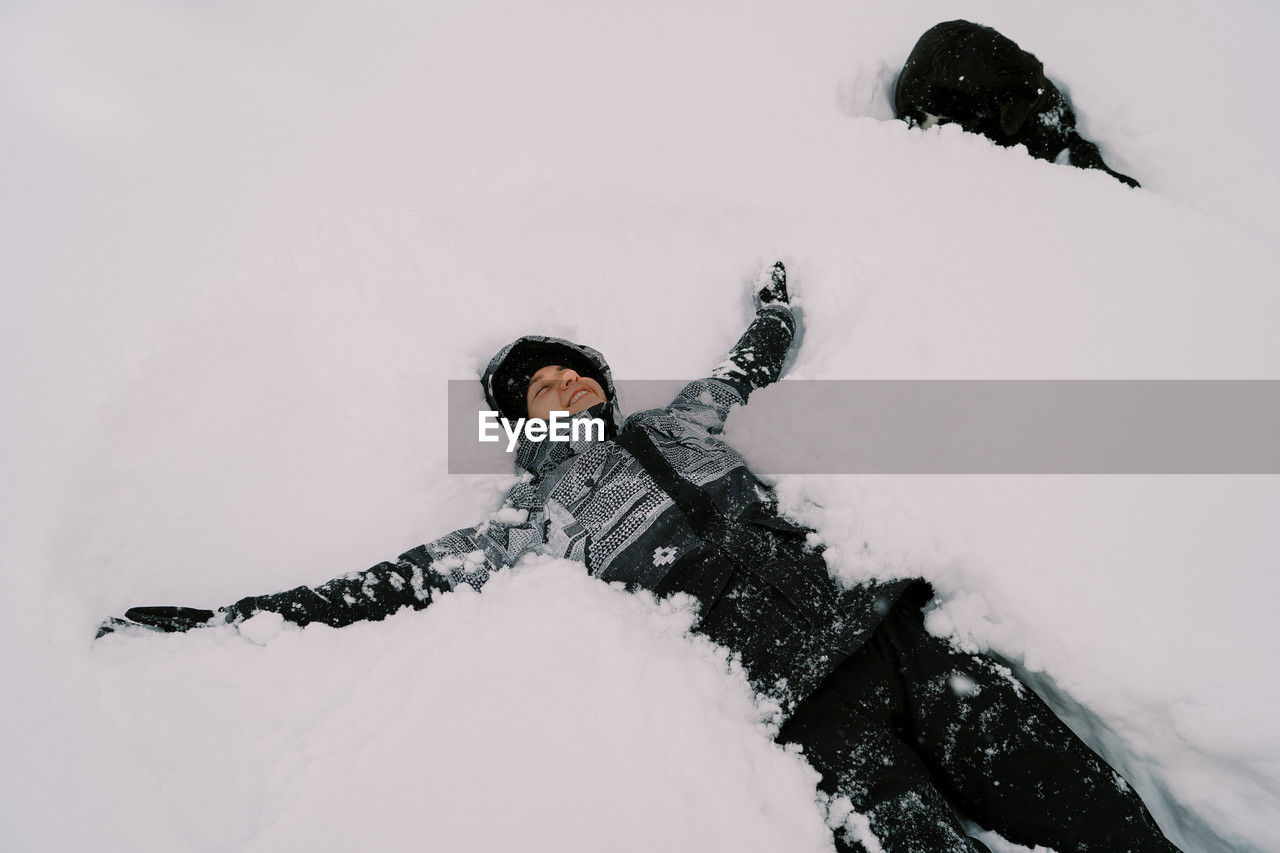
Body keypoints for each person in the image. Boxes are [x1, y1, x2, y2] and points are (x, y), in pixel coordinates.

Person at [99, 263, 1179, 853]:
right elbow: (390, 586)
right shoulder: (527, 525)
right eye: (542, 389)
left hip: (894, 631)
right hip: (809, 719)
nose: (566, 390)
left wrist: (771, 312)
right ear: (519, 424)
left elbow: (742, 369)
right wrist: (230, 615)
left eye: (576, 378)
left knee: (1091, 813)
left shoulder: (678, 429)